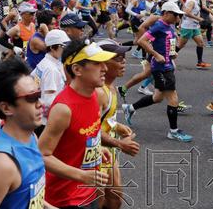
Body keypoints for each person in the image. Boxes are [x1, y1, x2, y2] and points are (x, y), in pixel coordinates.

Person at [38, 39, 114, 208]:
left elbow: (83, 133)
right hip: (66, 199)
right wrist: (81, 176)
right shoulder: (63, 109)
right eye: (97, 63)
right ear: (77, 69)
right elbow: (42, 155)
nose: (105, 68)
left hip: (90, 191)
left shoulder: (95, 95)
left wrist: (96, 148)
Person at [0, 59, 48, 209]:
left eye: (39, 94)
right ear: (6, 108)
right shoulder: (2, 164)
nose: (41, 103)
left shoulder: (31, 137)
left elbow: (29, 196)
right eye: (32, 98)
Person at [122, 1, 193, 142]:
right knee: (173, 97)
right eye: (176, 15)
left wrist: (172, 54)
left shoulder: (169, 26)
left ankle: (130, 108)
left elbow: (169, 43)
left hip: (168, 65)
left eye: (179, 16)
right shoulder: (159, 26)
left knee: (158, 97)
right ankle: (173, 131)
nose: (178, 18)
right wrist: (156, 54)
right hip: (160, 68)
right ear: (166, 13)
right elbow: (142, 41)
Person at [95, 39, 140, 209]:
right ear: (103, 62)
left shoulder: (111, 87)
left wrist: (116, 126)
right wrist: (121, 144)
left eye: (124, 57)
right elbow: (90, 131)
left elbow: (106, 119)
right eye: (118, 58)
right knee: (97, 202)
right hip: (94, 154)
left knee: (115, 199)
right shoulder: (99, 92)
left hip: (109, 151)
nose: (124, 62)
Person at [31, 29, 70, 136]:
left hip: (38, 118)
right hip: (46, 123)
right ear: (52, 47)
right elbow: (49, 101)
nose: (66, 50)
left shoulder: (45, 63)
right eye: (63, 47)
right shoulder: (51, 69)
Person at [177, 0, 211, 69]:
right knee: (180, 46)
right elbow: (187, 13)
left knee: (200, 43)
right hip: (188, 27)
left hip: (194, 26)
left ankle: (200, 62)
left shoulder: (194, 0)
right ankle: (167, 58)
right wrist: (198, 18)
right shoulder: (191, 1)